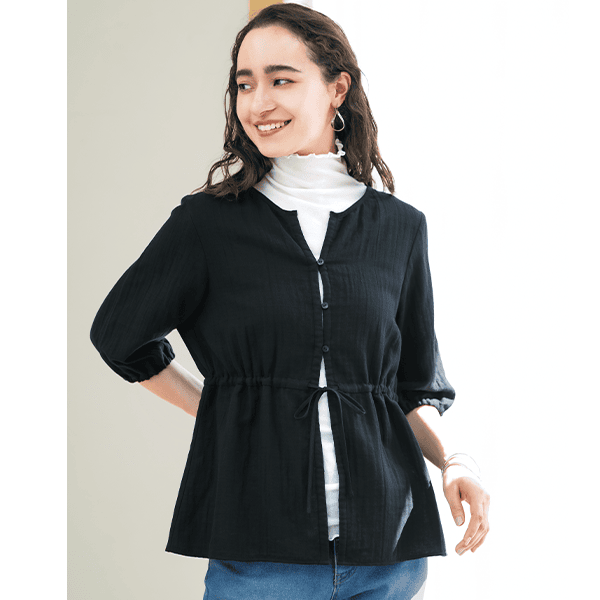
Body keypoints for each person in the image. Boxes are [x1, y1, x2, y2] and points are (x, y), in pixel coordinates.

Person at [89, 3, 490, 599]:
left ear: (337, 89)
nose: (258, 103)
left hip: (389, 553)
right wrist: (217, 408)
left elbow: (413, 386)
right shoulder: (207, 225)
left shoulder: (400, 227)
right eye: (244, 84)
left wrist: (455, 462)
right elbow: (119, 334)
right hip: (261, 555)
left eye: (281, 80)